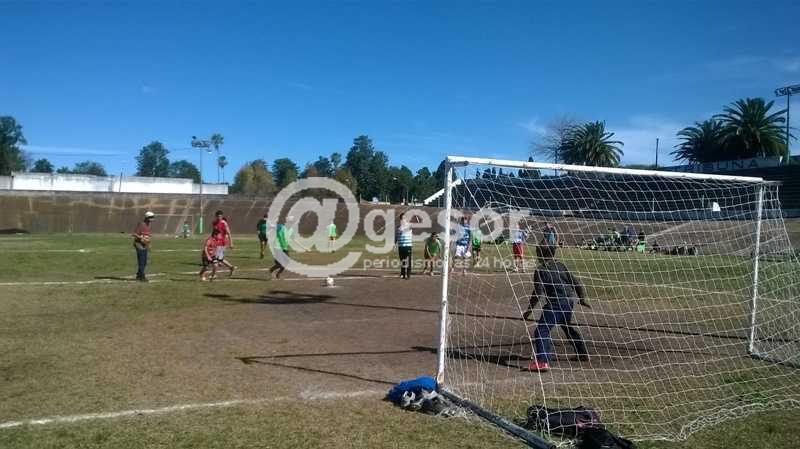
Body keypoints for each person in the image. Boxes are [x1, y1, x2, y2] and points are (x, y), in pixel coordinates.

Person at [523, 243, 590, 372]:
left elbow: (538, 293)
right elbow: (576, 283)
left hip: (555, 304)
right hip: (569, 302)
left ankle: (542, 362)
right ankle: (582, 353)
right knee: (566, 326)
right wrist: (582, 299)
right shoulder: (561, 266)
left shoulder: (540, 270)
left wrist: (528, 311)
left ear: (539, 254)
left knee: (541, 331)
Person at [132, 211, 155, 282]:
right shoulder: (141, 224)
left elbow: (148, 236)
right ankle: (142, 276)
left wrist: (149, 244)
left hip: (144, 245)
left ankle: (139, 274)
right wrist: (141, 238)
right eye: (151, 217)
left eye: (153, 217)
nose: (152, 219)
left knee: (144, 261)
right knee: (141, 261)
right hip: (139, 244)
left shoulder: (148, 225)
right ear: (147, 217)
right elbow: (134, 234)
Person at [212, 210, 236, 276]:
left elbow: (229, 233)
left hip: (222, 243)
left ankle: (214, 274)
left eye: (220, 216)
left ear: (222, 216)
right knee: (220, 259)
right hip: (216, 242)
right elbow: (214, 232)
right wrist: (211, 240)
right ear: (216, 216)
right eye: (218, 216)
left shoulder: (224, 223)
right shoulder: (214, 223)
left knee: (215, 258)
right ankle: (231, 268)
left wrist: (231, 243)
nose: (219, 217)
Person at [396, 213, 413, 279]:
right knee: (402, 260)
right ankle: (403, 274)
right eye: (402, 218)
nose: (403, 219)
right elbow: (397, 235)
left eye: (404, 218)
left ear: (406, 219)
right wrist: (395, 243)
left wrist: (402, 229)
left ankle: (408, 275)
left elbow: (407, 229)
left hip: (408, 246)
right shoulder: (398, 227)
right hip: (400, 246)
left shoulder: (409, 225)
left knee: (408, 260)